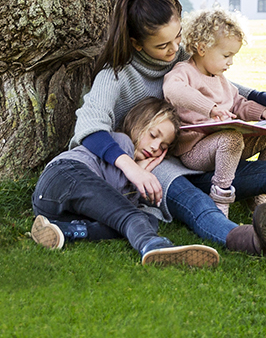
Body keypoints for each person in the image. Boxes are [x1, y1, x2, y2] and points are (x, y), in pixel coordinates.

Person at [48, 0, 266, 260]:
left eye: (178, 38)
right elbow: (89, 128)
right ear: (137, 44)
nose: (175, 49)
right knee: (197, 204)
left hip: (210, 156)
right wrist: (132, 170)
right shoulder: (116, 77)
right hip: (161, 169)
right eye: (163, 45)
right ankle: (250, 240)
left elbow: (228, 89)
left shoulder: (182, 58)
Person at [29, 97, 220, 267]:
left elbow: (112, 206)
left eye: (163, 146)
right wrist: (140, 170)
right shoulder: (121, 142)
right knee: (131, 217)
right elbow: (116, 196)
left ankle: (65, 231)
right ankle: (152, 245)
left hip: (50, 207)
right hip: (66, 175)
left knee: (145, 219)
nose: (155, 147)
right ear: (137, 124)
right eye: (153, 135)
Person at [164, 8, 266, 213]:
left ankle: (257, 194)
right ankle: (221, 201)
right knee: (231, 139)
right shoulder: (184, 71)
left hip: (226, 147)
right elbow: (172, 90)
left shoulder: (220, 78)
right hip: (195, 150)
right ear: (202, 48)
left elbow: (237, 102)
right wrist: (210, 109)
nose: (231, 62)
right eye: (227, 55)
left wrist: (262, 113)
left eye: (233, 56)